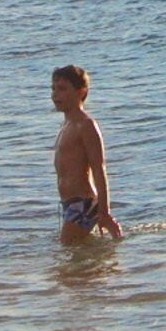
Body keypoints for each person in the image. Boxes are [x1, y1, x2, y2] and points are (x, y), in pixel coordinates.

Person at [52, 65, 119, 239]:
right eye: (53, 89)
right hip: (69, 203)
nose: (55, 94)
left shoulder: (86, 124)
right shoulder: (66, 126)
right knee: (77, 251)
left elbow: (99, 168)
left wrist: (104, 212)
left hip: (83, 203)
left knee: (67, 247)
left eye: (62, 89)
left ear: (81, 91)